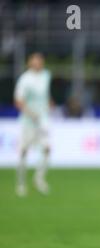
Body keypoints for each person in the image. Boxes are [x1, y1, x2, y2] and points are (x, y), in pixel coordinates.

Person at [14, 53, 53, 196]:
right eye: (35, 61)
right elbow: (19, 101)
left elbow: (46, 95)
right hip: (28, 121)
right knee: (24, 151)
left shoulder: (46, 76)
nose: (38, 63)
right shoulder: (25, 79)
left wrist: (49, 103)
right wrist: (31, 114)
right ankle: (21, 183)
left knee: (47, 149)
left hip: (43, 120)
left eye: (40, 61)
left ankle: (39, 179)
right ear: (30, 63)